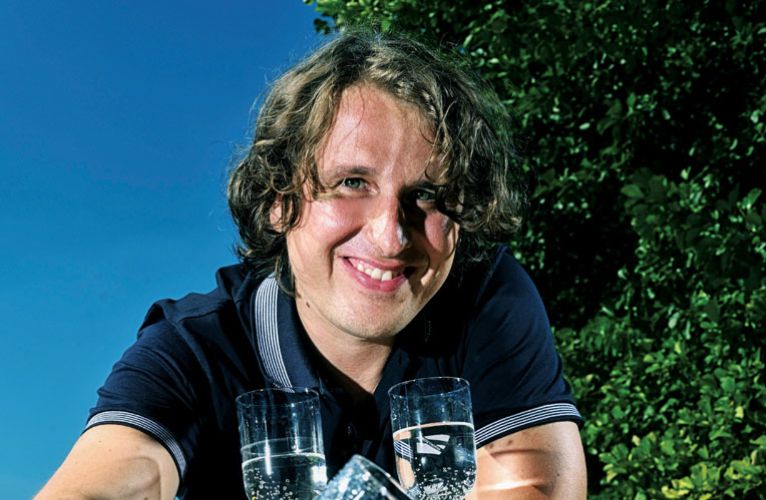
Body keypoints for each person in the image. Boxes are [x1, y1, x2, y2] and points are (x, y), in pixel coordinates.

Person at [37, 30, 587, 499]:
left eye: (426, 194)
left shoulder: (486, 299)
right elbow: (111, 476)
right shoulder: (198, 348)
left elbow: (535, 486)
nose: (391, 236)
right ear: (279, 200)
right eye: (352, 182)